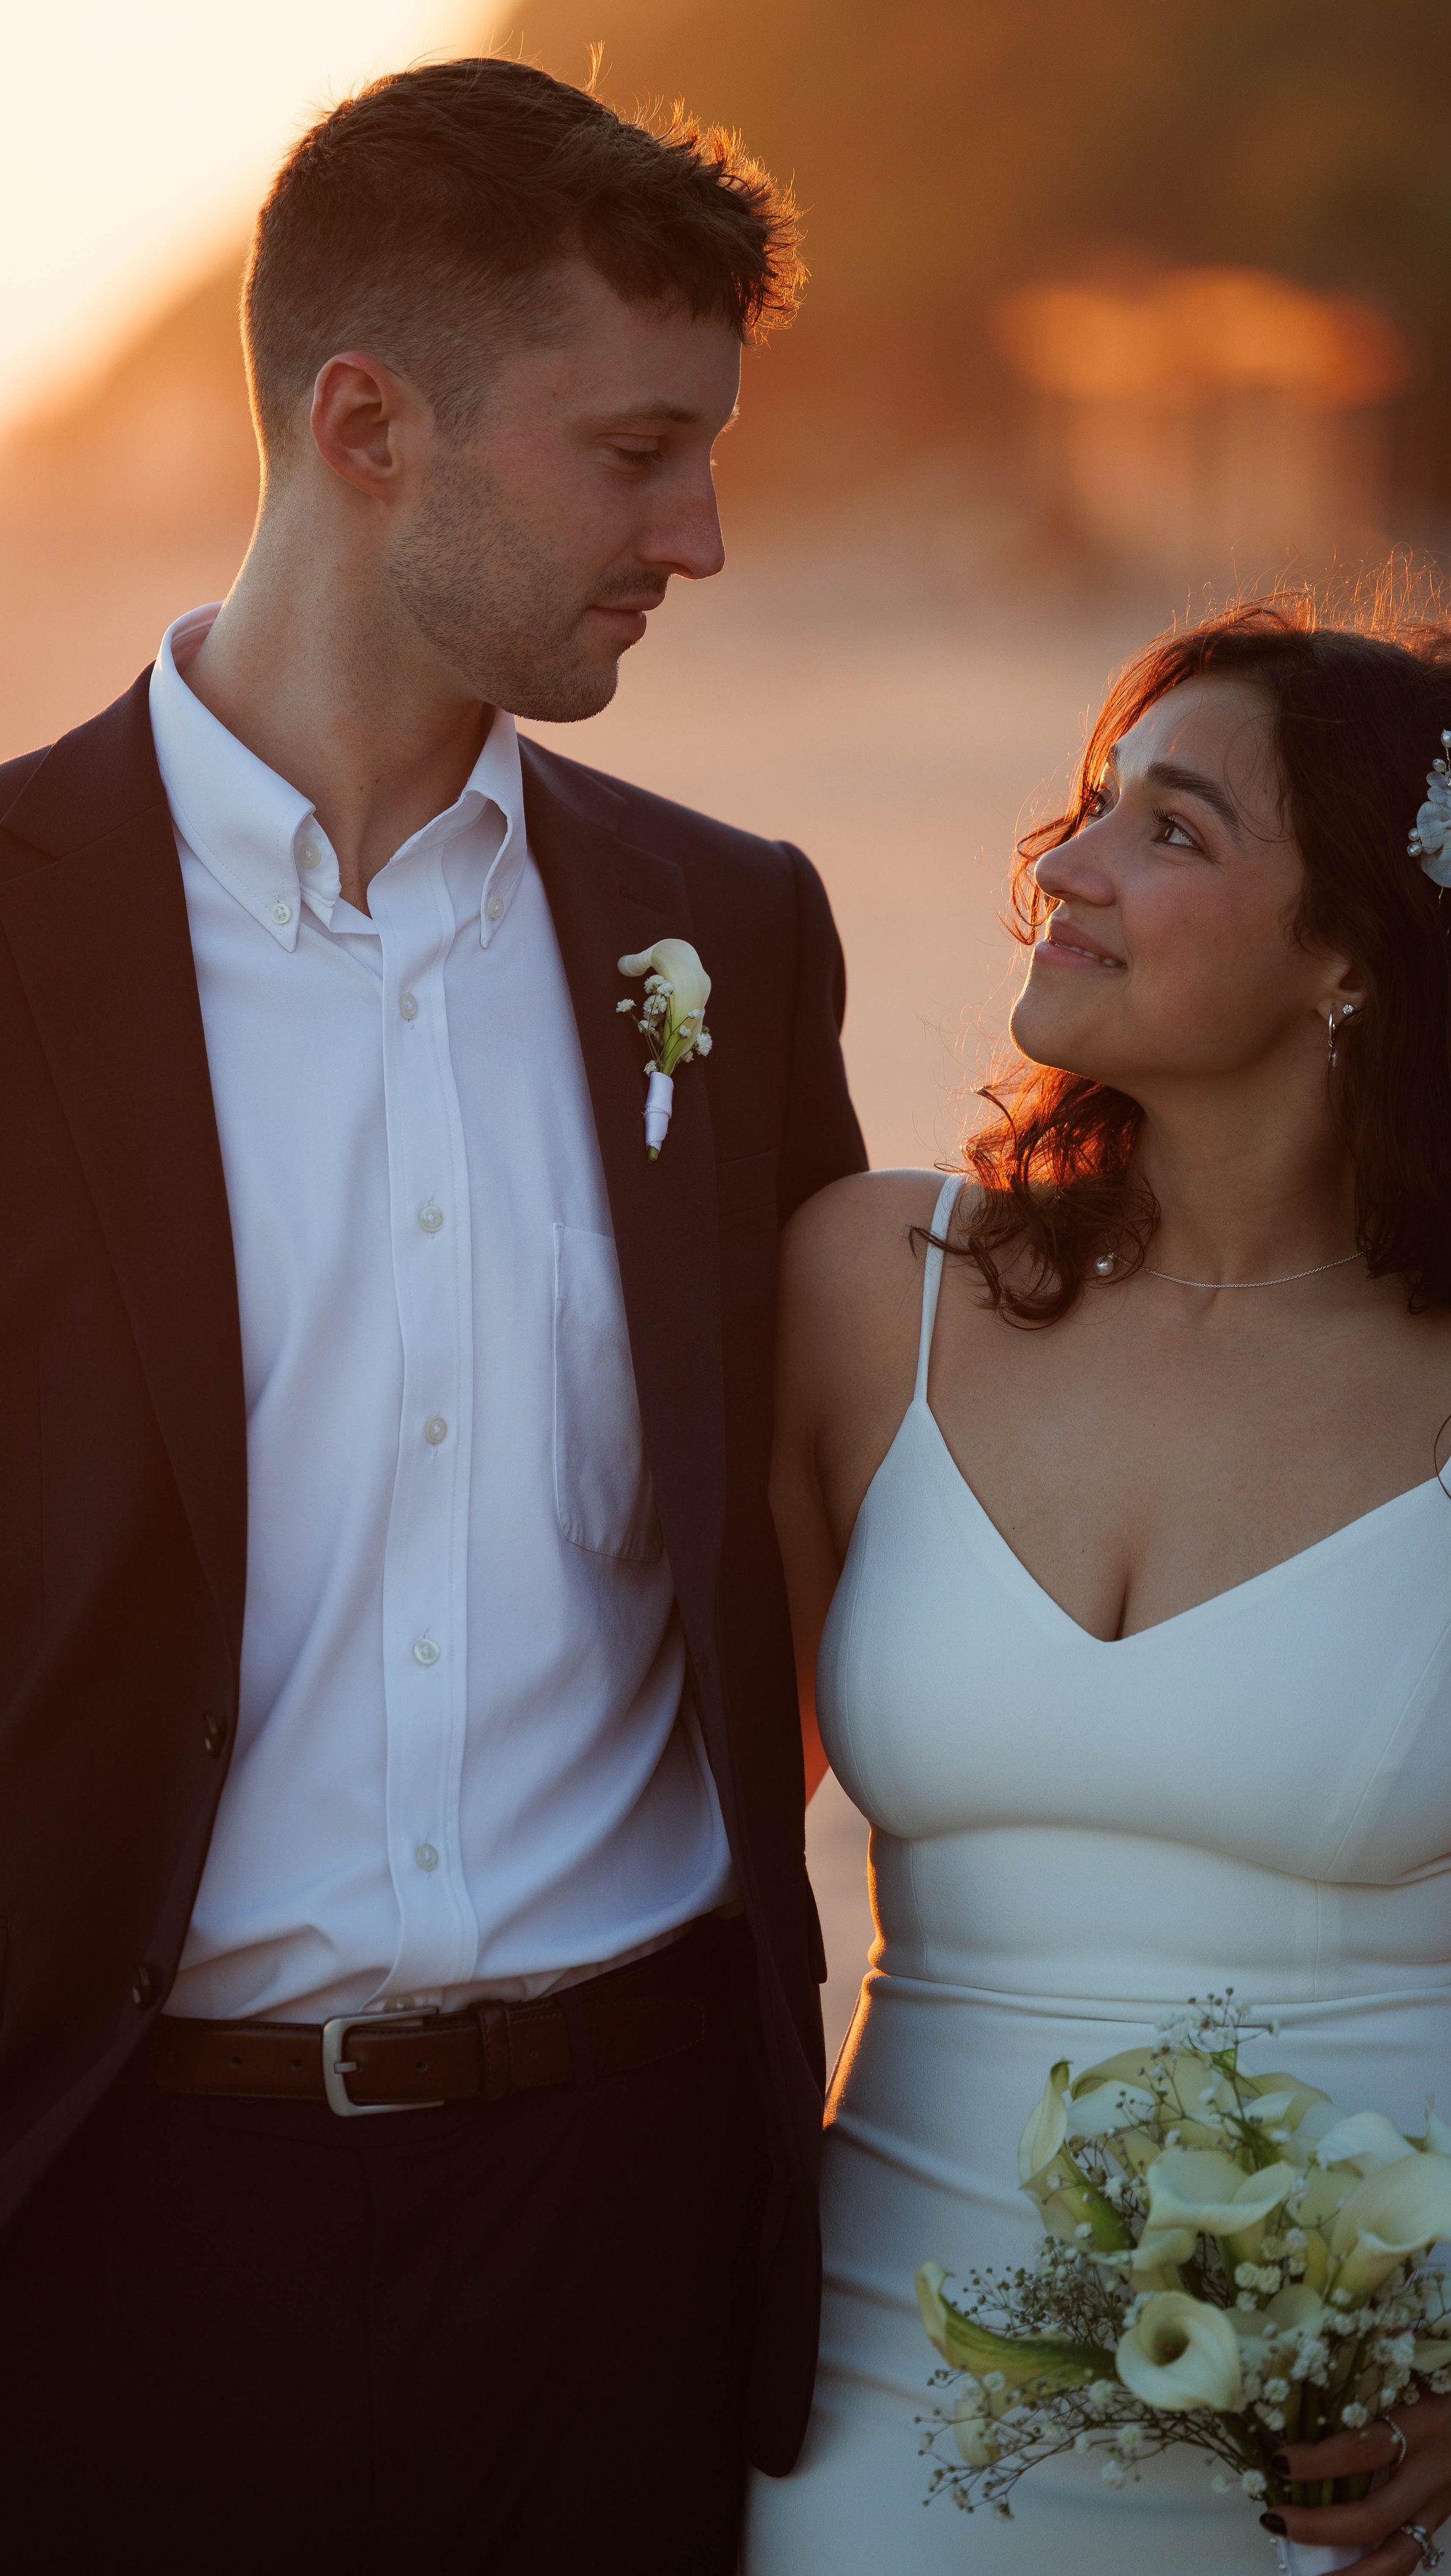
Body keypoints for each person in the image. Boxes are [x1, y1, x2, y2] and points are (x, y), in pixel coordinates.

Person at [0, 57, 866, 2576]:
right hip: (80, 2240)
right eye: (636, 452)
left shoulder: (730, 934)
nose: (699, 533)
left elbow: (807, 1533)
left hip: (621, 2244)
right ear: (368, 423)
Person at [746, 596, 1451, 2572]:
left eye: (1174, 829)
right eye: (1085, 808)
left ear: (1350, 961)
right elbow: (693, 1847)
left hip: (1350, 2467)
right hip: (876, 2412)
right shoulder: (875, 1289)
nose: (1063, 867)